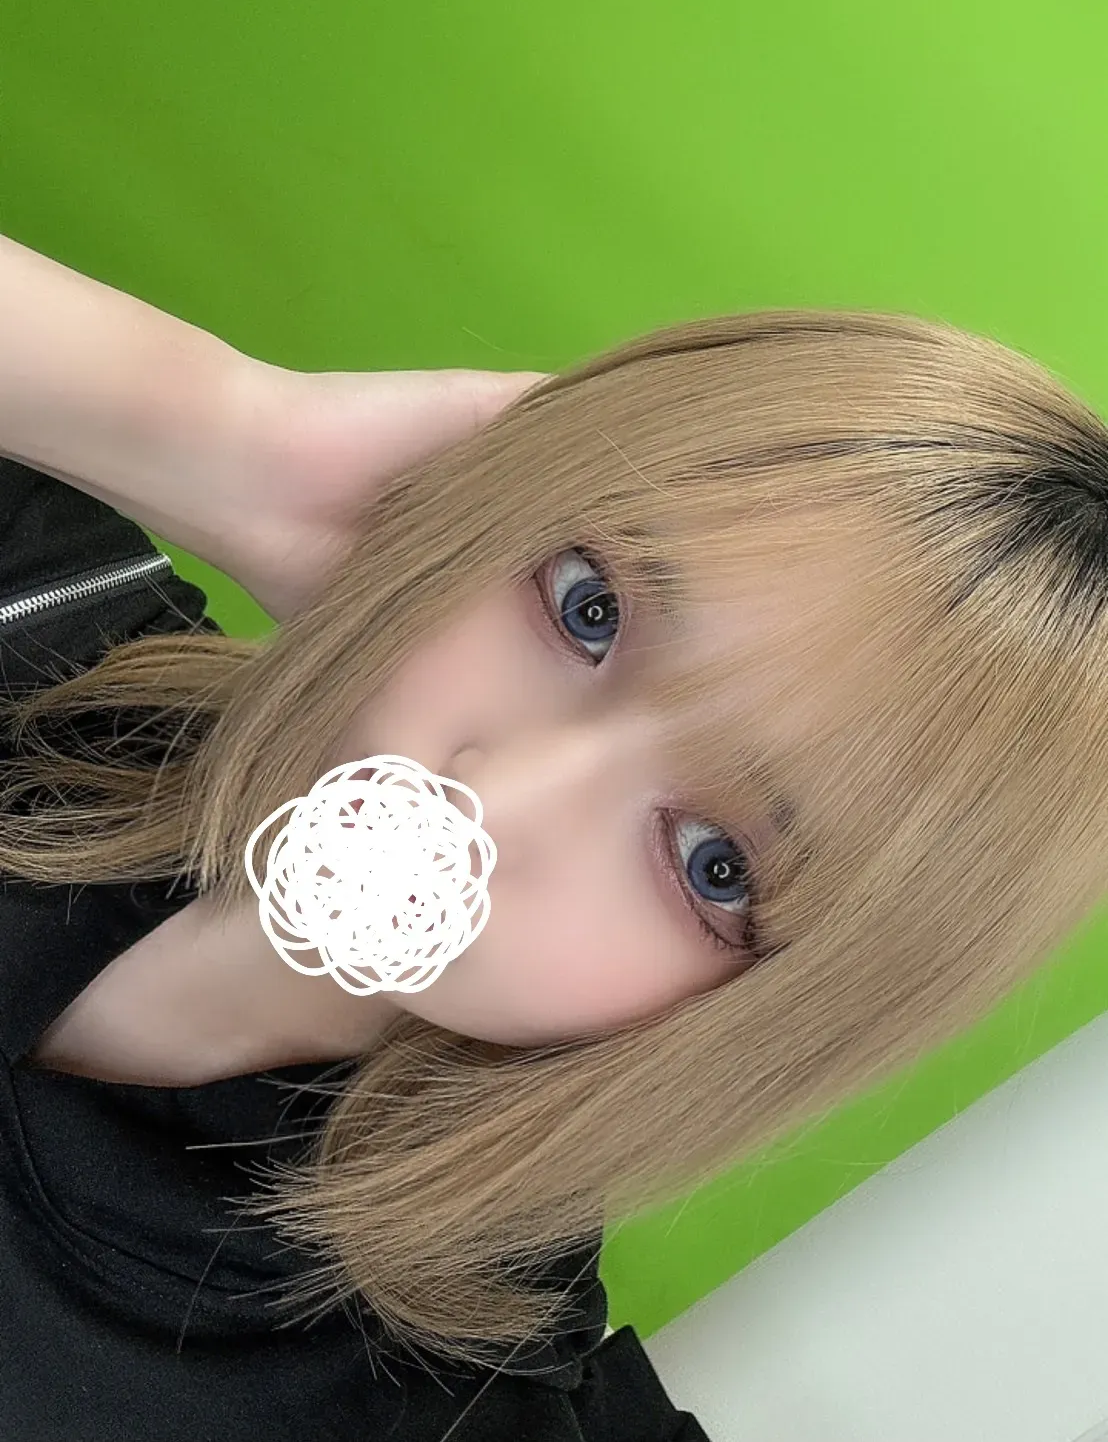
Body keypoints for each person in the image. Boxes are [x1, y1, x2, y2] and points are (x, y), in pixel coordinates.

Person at [3, 232, 1107, 1438]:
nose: (495, 799)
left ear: (794, 1001)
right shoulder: (43, 616)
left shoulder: (442, 1410)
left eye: (713, 863)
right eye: (589, 609)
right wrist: (231, 433)